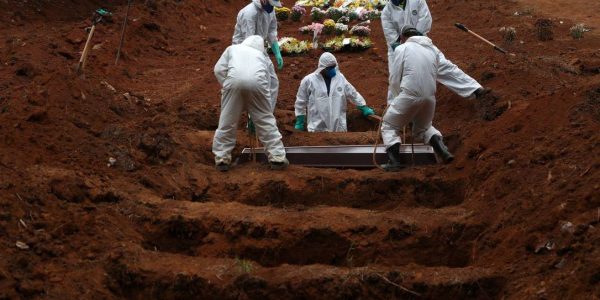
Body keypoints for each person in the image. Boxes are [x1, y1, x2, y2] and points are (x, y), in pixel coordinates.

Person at [381, 0, 488, 103]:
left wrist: (415, 40)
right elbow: (392, 39)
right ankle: (393, 110)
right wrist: (406, 46)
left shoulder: (417, 1)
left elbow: (425, 21)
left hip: (421, 41)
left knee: (442, 65)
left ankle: (475, 90)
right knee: (396, 79)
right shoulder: (386, 12)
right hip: (400, 50)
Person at [381, 26, 453, 171]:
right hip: (430, 98)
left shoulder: (402, 49)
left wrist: (396, 101)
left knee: (389, 126)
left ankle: (394, 162)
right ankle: (443, 151)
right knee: (424, 128)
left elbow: (394, 80)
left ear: (402, 37)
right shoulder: (432, 50)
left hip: (409, 94)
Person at [213, 35, 288, 171]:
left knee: (227, 122)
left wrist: (228, 86)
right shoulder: (262, 57)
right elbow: (271, 82)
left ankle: (222, 159)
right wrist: (265, 108)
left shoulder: (232, 49)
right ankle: (277, 157)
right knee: (266, 121)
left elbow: (218, 70)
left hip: (233, 82)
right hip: (258, 85)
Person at [294, 52, 375, 132]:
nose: (332, 70)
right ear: (322, 68)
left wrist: (363, 106)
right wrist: (300, 119)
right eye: (329, 68)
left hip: (338, 128)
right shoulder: (309, 80)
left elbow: (352, 93)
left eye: (334, 67)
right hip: (317, 128)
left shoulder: (340, 78)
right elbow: (301, 100)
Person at [232, 0, 284, 114]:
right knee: (257, 83)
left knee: (273, 82)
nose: (272, 8)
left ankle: (265, 115)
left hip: (260, 49)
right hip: (244, 51)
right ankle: (254, 116)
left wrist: (277, 52)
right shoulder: (249, 13)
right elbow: (249, 40)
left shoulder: (269, 10)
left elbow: (271, 30)